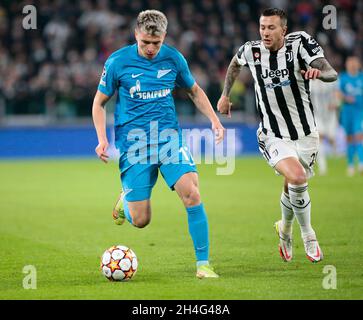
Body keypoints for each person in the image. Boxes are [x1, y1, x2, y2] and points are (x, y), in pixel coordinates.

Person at [92, 10, 224, 278]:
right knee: (141, 220)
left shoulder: (174, 58)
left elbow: (194, 91)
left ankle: (203, 264)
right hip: (134, 144)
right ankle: (125, 202)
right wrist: (102, 139)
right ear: (136, 36)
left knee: (192, 192)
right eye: (145, 43)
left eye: (156, 43)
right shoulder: (117, 62)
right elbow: (99, 102)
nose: (151, 49)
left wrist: (214, 120)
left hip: (168, 139)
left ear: (163, 37)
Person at [217, 8, 337, 263]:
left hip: (305, 134)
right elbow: (235, 64)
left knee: (292, 184)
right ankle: (309, 235)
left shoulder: (300, 43)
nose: (265, 33)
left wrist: (318, 73)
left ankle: (284, 229)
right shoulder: (252, 50)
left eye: (271, 28)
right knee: (297, 176)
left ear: (284, 30)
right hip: (272, 134)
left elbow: (330, 72)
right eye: (262, 27)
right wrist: (225, 95)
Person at [336, 56, 363, 176]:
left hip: (360, 111)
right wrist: (346, 97)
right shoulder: (343, 77)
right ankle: (351, 164)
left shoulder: (361, 77)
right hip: (347, 111)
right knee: (349, 138)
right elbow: (337, 93)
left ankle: (361, 163)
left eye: (354, 63)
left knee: (359, 136)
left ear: (358, 65)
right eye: (350, 63)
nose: (352, 65)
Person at [310, 79, 339, 175]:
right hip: (317, 115)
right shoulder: (310, 83)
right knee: (319, 138)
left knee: (331, 139)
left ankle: (336, 151)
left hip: (330, 115)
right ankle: (323, 167)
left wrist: (336, 103)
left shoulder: (330, 81)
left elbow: (337, 93)